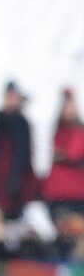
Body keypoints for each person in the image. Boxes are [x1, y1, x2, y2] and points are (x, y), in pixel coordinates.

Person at [0, 80, 38, 221]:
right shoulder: (0, 121)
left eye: (13, 96)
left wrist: (16, 184)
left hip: (16, 189)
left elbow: (24, 157)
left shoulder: (22, 123)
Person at [42, 87, 84, 222]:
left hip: (76, 196)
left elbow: (73, 155)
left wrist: (64, 156)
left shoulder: (79, 133)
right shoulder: (56, 133)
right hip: (58, 196)